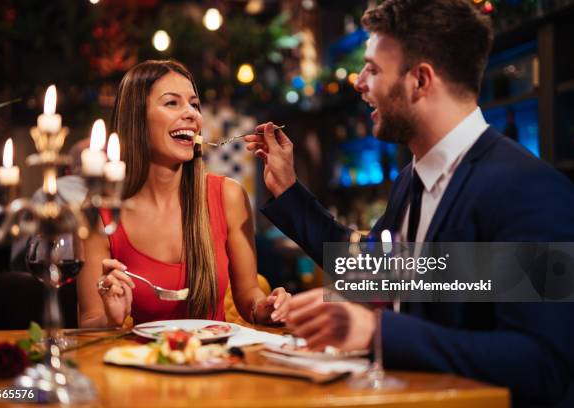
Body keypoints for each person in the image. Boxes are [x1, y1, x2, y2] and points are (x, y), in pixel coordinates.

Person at [245, 1, 574, 406]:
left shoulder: (528, 189)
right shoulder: (411, 181)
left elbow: (543, 364)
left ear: (420, 80)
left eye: (373, 69)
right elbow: (370, 270)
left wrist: (378, 332)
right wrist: (288, 191)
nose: (358, 82)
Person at [78, 60, 291, 328]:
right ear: (136, 117)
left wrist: (267, 307)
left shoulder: (228, 196)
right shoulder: (101, 214)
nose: (192, 114)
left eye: (194, 104)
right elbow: (89, 320)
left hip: (216, 361)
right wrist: (111, 318)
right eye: (172, 103)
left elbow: (250, 297)